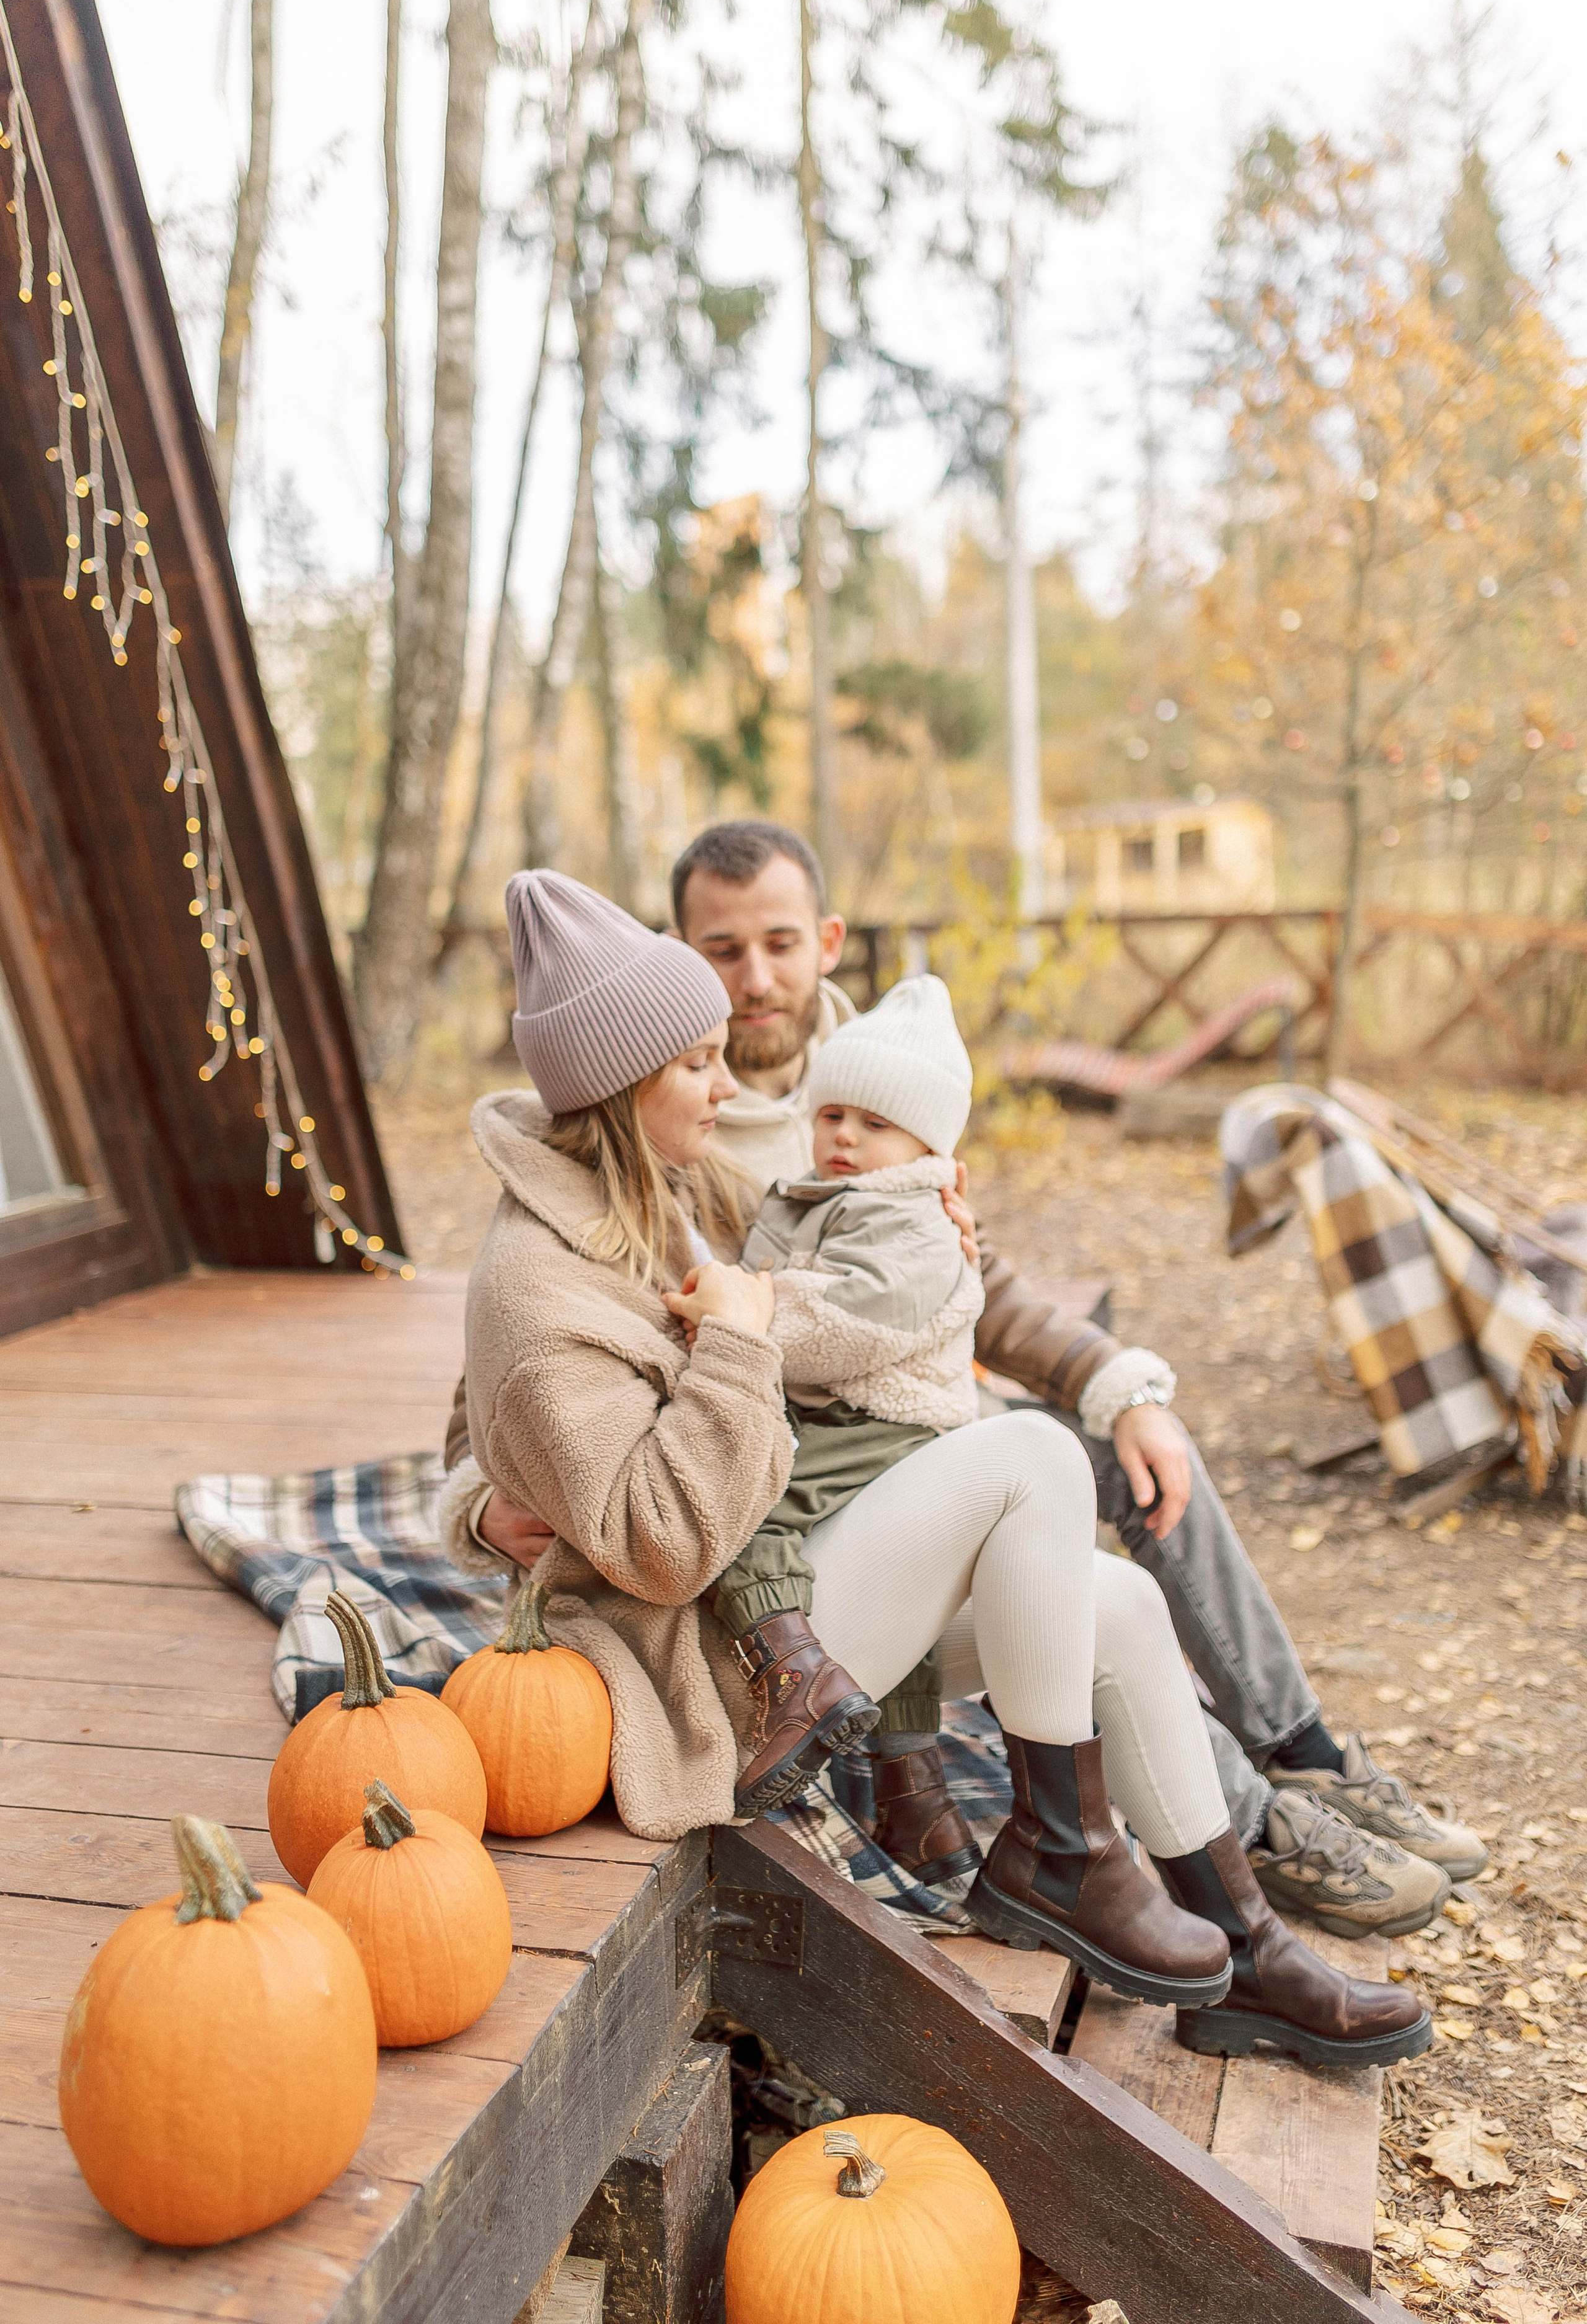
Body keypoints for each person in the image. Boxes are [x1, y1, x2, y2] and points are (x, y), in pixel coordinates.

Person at [446, 867, 1431, 2068]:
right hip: (704, 1667)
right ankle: (1062, 1856)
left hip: (770, 1581)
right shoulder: (535, 1288)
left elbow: (869, 1238)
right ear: (622, 1084)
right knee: (1026, 1455)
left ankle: (1247, 1950)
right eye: (699, 1062)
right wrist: (498, 1494)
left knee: (1117, 1600)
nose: (731, 1082)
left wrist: (941, 1233)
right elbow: (649, 1540)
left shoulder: (668, 1181)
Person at [713, 974, 984, 1829]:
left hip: (888, 1416)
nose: (846, 1137)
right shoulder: (825, 1196)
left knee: (746, 1498)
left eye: (876, 1124)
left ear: (926, 1144)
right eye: (833, 1115)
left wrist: (743, 1311)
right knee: (904, 1589)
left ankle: (796, 1680)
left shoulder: (917, 1218)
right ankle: (915, 1790)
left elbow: (847, 1323)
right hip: (849, 1408)